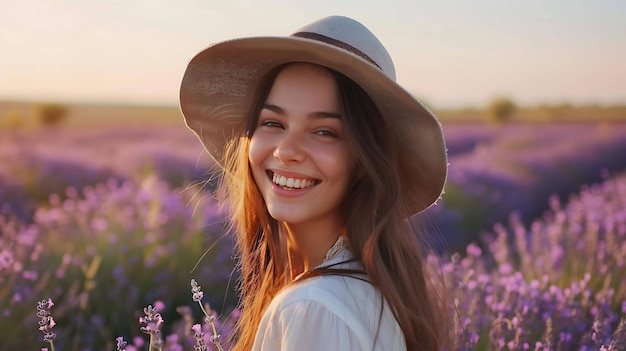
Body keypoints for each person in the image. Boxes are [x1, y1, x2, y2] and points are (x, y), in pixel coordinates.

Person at [179, 15, 454, 351]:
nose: (286, 150)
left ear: (365, 161)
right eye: (273, 122)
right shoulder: (366, 292)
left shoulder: (314, 308)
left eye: (324, 131)